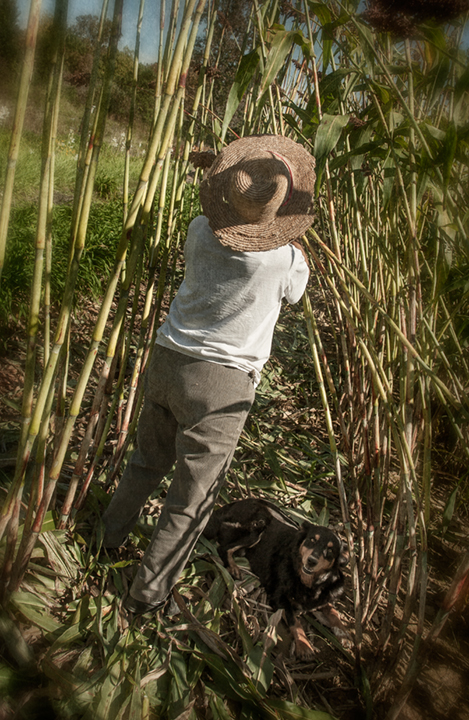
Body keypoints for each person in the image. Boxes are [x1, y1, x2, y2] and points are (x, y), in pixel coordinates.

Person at [102, 134, 316, 614]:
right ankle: (145, 597)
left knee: (146, 462)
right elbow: (295, 293)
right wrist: (289, 234)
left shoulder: (200, 227)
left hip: (168, 359)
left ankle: (106, 538)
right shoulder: (285, 259)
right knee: (191, 498)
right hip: (221, 384)